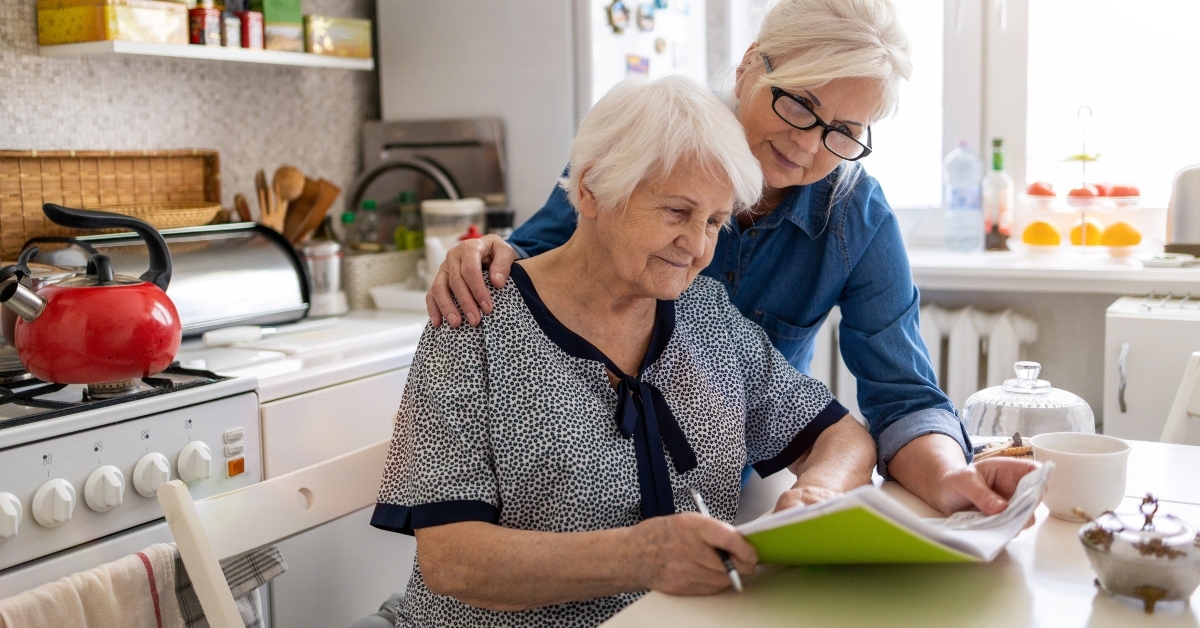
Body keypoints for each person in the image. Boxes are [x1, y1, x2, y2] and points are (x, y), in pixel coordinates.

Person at [425, 0, 1037, 518]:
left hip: (725, 487)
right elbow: (537, 262)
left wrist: (952, 478)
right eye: (799, 104)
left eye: (844, 130)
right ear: (750, 66)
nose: (806, 143)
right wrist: (480, 254)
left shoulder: (856, 219)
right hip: (576, 488)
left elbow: (903, 399)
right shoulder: (648, 146)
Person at [371, 76, 877, 625]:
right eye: (676, 212)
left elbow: (841, 434)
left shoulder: (706, 314)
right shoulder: (475, 320)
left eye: (714, 221)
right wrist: (638, 557)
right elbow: (452, 561)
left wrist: (819, 492)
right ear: (590, 189)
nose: (697, 246)